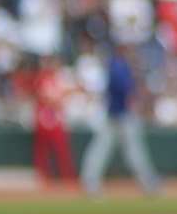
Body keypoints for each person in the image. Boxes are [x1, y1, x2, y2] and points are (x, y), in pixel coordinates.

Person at [81, 45, 162, 197]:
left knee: (115, 151)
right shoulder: (117, 66)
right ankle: (148, 184)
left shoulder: (119, 65)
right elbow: (125, 90)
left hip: (117, 114)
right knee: (130, 152)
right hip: (119, 115)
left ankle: (91, 183)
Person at [28, 55, 76, 186]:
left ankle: (67, 178)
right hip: (44, 118)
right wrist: (56, 101)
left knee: (62, 150)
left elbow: (64, 94)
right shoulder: (42, 77)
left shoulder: (58, 78)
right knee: (42, 151)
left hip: (55, 119)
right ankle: (43, 178)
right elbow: (43, 97)